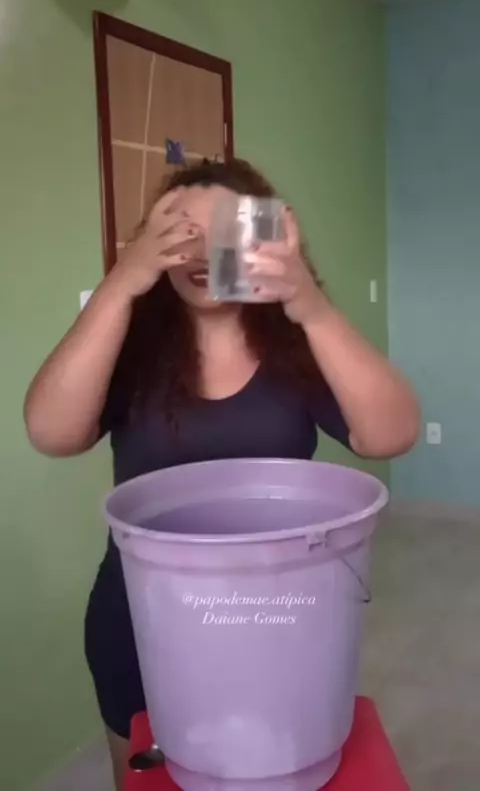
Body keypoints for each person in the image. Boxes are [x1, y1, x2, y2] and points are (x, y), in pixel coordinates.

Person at [24, 158, 420, 790]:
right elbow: (52, 433)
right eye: (183, 235)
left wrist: (310, 306)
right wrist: (121, 283)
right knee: (151, 780)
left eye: (225, 235)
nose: (204, 255)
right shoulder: (130, 345)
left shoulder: (296, 347)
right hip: (140, 617)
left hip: (277, 617)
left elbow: (391, 434)